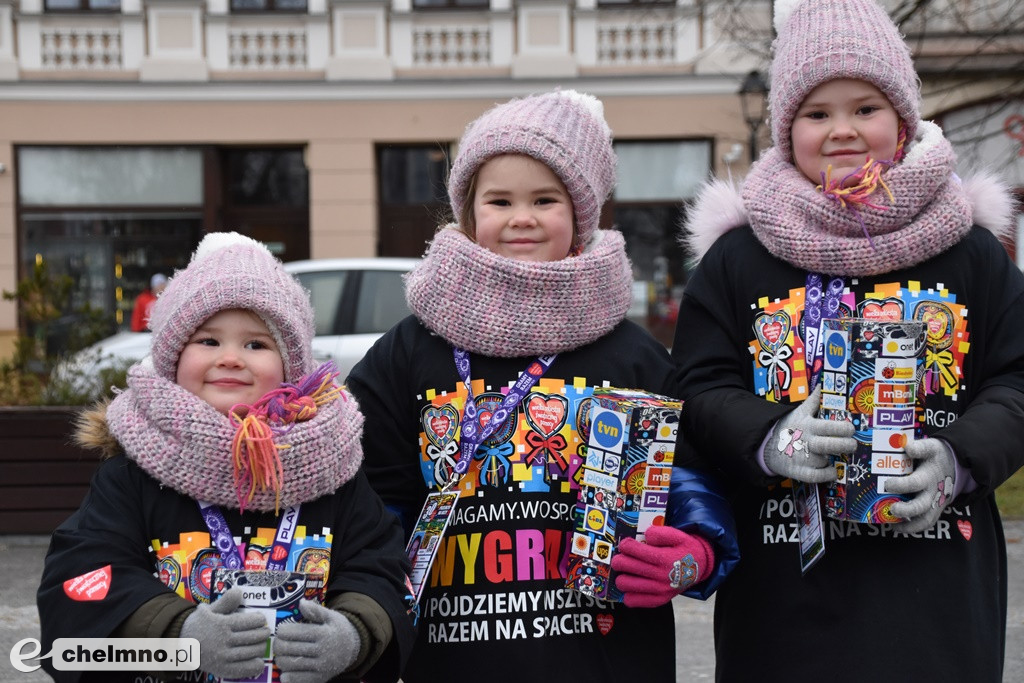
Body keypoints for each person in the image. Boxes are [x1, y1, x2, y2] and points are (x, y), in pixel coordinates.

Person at [673, 0, 1024, 680]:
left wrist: (960, 459)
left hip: (936, 603)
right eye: (816, 113)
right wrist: (769, 437)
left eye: (865, 107)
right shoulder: (738, 259)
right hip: (783, 611)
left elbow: (1016, 379)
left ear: (903, 120)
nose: (842, 130)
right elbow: (696, 387)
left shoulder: (973, 253)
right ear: (785, 129)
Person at [346, 89, 739, 683]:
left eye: (545, 199)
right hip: (451, 659)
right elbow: (368, 491)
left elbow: (691, 476)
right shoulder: (410, 350)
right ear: (468, 215)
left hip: (603, 656)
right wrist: (373, 583)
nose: (521, 217)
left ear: (581, 216)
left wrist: (694, 552)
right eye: (499, 200)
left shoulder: (630, 353)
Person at [38, 232, 416, 683]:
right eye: (208, 341)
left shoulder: (331, 472)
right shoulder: (130, 475)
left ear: (290, 370)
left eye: (257, 344)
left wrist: (352, 635)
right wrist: (178, 635)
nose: (232, 358)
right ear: (173, 357)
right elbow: (83, 578)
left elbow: (380, 568)